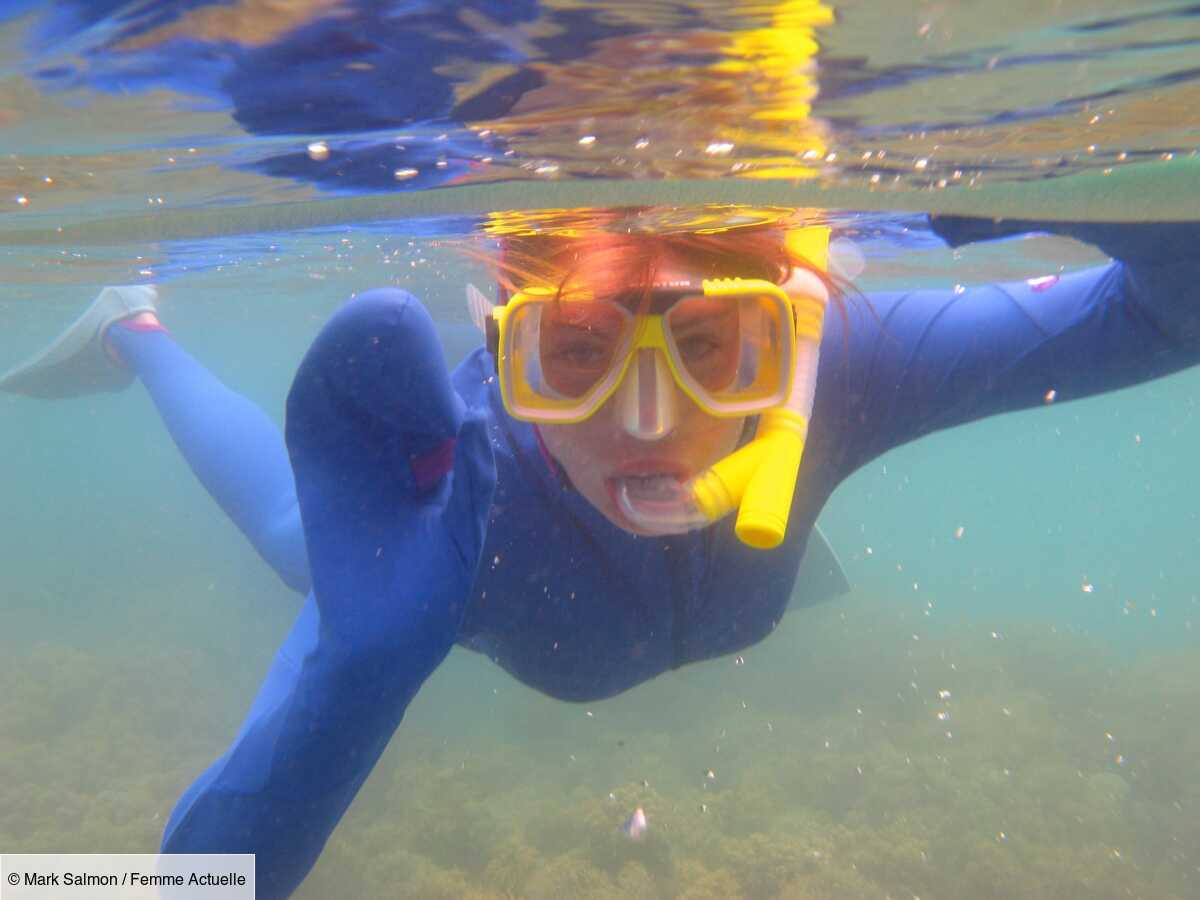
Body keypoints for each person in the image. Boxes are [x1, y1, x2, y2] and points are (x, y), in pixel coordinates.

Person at [3, 210, 1198, 899]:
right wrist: (351, 681)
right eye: (573, 354)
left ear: (791, 340)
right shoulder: (448, 507)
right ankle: (137, 326)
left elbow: (1166, 308)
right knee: (294, 539)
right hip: (460, 558)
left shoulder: (853, 360)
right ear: (500, 354)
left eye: (712, 349)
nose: (646, 421)